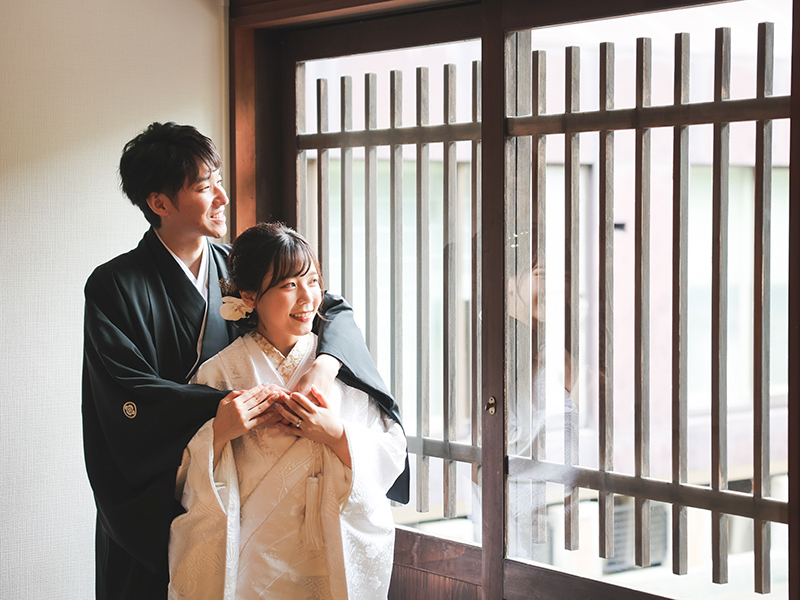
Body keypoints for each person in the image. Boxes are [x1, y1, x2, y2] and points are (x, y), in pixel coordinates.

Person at [82, 122, 408, 600]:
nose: (222, 197)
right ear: (159, 203)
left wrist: (325, 365)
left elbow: (330, 308)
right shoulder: (114, 285)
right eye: (204, 187)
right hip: (161, 492)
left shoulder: (239, 266)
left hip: (249, 513)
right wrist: (220, 411)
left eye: (219, 181)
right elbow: (126, 396)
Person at [167, 223, 407, 600]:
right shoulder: (219, 373)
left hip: (328, 551)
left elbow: (391, 453)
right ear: (249, 295)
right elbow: (184, 478)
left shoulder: (337, 367)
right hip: (252, 561)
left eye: (312, 281)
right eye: (289, 285)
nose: (308, 297)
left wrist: (336, 434)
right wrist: (220, 433)